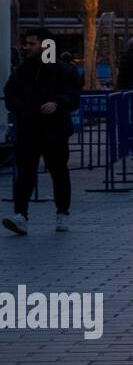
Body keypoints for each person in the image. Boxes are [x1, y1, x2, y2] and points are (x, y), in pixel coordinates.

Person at [3, 27, 80, 235]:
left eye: (31, 43)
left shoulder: (62, 70)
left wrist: (57, 103)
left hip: (54, 129)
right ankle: (21, 215)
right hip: (29, 128)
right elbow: (10, 93)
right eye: (26, 43)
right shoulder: (23, 70)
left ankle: (62, 212)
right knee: (25, 173)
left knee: (58, 171)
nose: (26, 47)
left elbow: (73, 96)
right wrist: (21, 108)